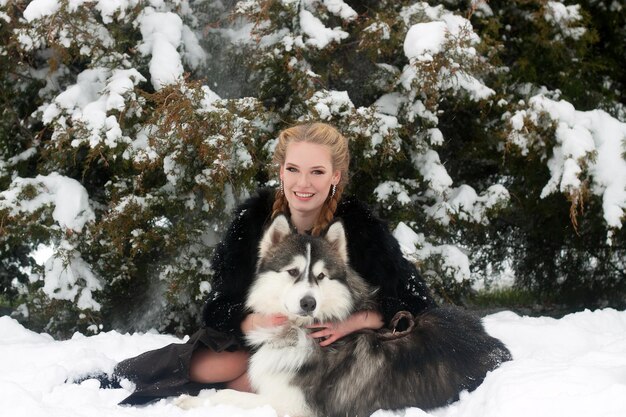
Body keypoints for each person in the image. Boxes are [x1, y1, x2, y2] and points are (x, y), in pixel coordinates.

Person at [113, 122, 436, 405]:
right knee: (225, 363)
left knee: (246, 378)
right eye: (293, 169)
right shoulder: (253, 220)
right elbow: (219, 304)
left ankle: (240, 393)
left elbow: (415, 301)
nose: (303, 184)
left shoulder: (359, 228)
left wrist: (355, 321)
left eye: (317, 172)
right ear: (281, 171)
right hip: (258, 337)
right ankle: (121, 378)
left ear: (335, 176)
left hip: (324, 351)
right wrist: (248, 321)